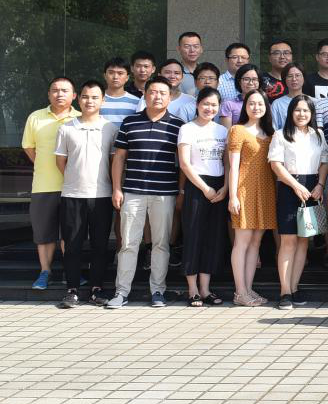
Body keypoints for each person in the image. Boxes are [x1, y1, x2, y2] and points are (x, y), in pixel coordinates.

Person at [108, 78, 182, 309]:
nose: (157, 96)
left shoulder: (178, 125)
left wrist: (180, 192)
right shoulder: (130, 122)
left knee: (161, 244)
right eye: (153, 92)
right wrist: (117, 188)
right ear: (145, 95)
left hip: (165, 193)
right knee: (129, 243)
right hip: (133, 192)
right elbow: (119, 158)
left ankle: (158, 290)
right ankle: (121, 292)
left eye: (162, 93)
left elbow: (182, 163)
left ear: (170, 97)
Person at [53, 80, 115, 307]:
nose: (90, 101)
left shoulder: (110, 128)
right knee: (72, 245)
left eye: (95, 97)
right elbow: (61, 161)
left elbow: (114, 162)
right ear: (79, 99)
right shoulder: (66, 128)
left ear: (103, 101)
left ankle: (96, 289)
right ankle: (72, 290)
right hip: (72, 195)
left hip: (102, 195)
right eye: (86, 97)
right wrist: (74, 178)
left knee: (100, 244)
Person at [268, 94, 328, 310]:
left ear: (312, 113)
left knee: (304, 240)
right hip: (288, 188)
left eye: (306, 110)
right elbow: (276, 164)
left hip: (312, 188)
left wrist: (320, 185)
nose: (302, 114)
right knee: (288, 241)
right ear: (290, 112)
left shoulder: (318, 135)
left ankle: (294, 287)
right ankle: (284, 291)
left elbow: (324, 162)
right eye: (297, 110)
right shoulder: (280, 134)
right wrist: (295, 186)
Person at [22, 76, 79, 290]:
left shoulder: (80, 118)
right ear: (48, 94)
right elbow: (29, 148)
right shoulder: (35, 117)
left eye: (65, 90)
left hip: (74, 187)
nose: (59, 94)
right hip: (43, 185)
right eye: (55, 90)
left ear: (74, 95)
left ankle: (70, 272)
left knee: (70, 234)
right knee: (44, 233)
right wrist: (44, 165)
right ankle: (45, 271)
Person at [176, 87, 228, 308]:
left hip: (219, 186)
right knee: (193, 235)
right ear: (197, 104)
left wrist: (225, 187)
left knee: (212, 238)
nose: (209, 108)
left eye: (214, 105)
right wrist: (205, 188)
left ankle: (205, 289)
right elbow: (184, 164)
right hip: (197, 186)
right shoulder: (187, 129)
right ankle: (192, 290)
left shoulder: (222, 130)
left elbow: (227, 162)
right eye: (205, 104)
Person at [225, 88, 276, 306]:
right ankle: (240, 292)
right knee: (242, 242)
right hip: (244, 190)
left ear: (266, 107)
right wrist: (233, 196)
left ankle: (248, 289)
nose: (256, 107)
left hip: (265, 190)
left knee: (256, 243)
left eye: (260, 103)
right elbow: (233, 166)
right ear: (245, 106)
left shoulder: (271, 134)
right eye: (252, 103)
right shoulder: (237, 130)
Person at [218, 63, 261, 128]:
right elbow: (227, 132)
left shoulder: (264, 104)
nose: (250, 83)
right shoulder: (228, 105)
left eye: (254, 79)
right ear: (239, 81)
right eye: (246, 79)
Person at [101, 57, 142, 124]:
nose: (115, 77)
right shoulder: (96, 99)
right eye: (111, 73)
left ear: (127, 77)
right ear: (105, 75)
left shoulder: (137, 102)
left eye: (120, 73)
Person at [154, 58, 198, 123]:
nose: (172, 76)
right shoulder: (148, 98)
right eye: (168, 72)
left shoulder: (191, 101)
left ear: (182, 77)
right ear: (159, 75)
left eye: (177, 73)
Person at [270, 63, 307, 130]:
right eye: (290, 76)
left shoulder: (314, 102)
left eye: (297, 75)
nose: (294, 79)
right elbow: (274, 130)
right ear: (285, 79)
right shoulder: (277, 104)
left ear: (304, 78)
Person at [175, 31, 203, 96]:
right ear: (179, 49)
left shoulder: (206, 72)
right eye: (187, 46)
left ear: (201, 49)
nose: (192, 50)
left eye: (196, 46)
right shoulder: (173, 73)